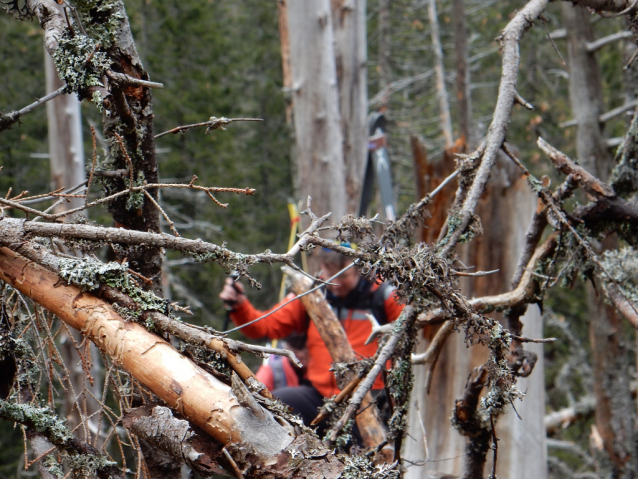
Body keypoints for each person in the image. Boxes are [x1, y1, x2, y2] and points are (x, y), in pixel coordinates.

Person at [219, 245, 404, 429]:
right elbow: (264, 327)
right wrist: (239, 306)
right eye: (330, 274)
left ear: (360, 270)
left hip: (369, 402)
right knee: (278, 403)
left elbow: (414, 330)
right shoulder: (312, 292)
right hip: (320, 397)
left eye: (344, 276)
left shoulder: (383, 296)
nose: (336, 284)